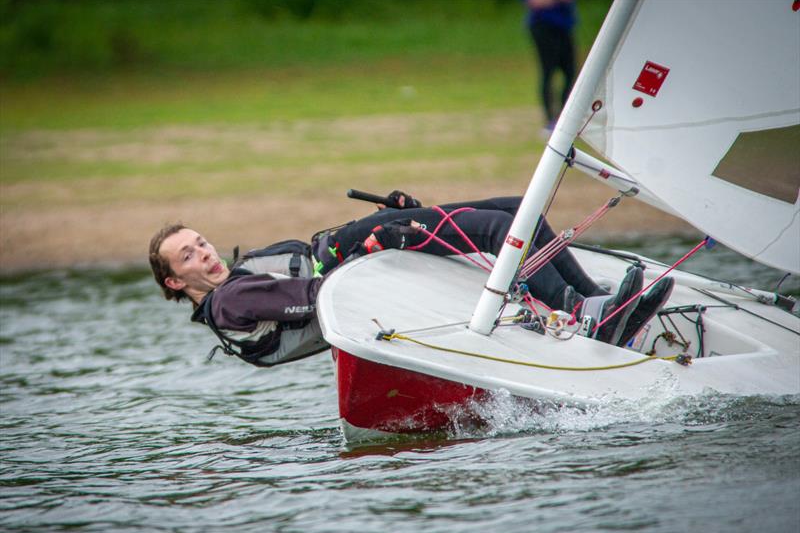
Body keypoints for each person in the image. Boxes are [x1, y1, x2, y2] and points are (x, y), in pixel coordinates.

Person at [148, 194, 672, 367]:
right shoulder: (231, 302)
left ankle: (595, 302)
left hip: (354, 247)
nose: (205, 254)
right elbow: (320, 294)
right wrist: (379, 241)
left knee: (521, 210)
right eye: (188, 257)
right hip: (360, 259)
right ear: (175, 283)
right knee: (499, 227)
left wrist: (392, 218)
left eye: (200, 242)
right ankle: (587, 317)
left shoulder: (233, 281)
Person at [522, 0, 577, 135]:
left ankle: (565, 117)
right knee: (548, 72)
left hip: (564, 26)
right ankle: (550, 121)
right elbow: (536, 1)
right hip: (543, 26)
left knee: (571, 73)